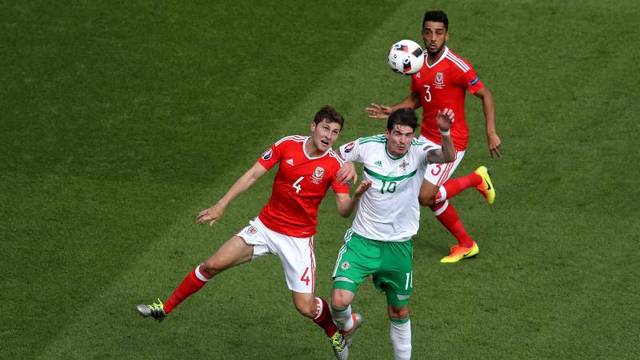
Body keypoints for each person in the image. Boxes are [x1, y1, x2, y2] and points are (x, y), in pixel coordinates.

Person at [136, 106, 368, 360]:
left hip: (298, 240)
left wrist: (356, 196)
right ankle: (165, 308)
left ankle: (336, 333)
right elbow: (253, 174)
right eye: (325, 128)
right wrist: (220, 206)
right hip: (265, 227)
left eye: (335, 132)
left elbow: (344, 210)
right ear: (313, 126)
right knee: (212, 265)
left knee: (304, 306)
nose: (329, 136)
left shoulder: (336, 165)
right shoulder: (287, 144)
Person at [366, 10, 500, 263]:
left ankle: (470, 219)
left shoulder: (457, 66)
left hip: (451, 141)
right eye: (428, 32)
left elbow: (486, 95)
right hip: (425, 137)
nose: (433, 38)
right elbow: (419, 96)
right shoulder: (416, 63)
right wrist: (394, 109)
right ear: (422, 34)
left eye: (438, 32)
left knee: (425, 196)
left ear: (447, 34)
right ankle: (468, 228)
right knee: (411, 186)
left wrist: (491, 132)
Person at [331, 107, 456, 360]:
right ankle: (347, 325)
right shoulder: (368, 146)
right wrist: (346, 164)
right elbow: (334, 154)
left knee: (398, 311)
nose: (402, 141)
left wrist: (444, 132)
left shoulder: (420, 150)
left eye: (408, 135)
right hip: (362, 239)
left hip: (398, 245)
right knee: (339, 301)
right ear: (387, 132)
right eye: (397, 134)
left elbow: (447, 156)